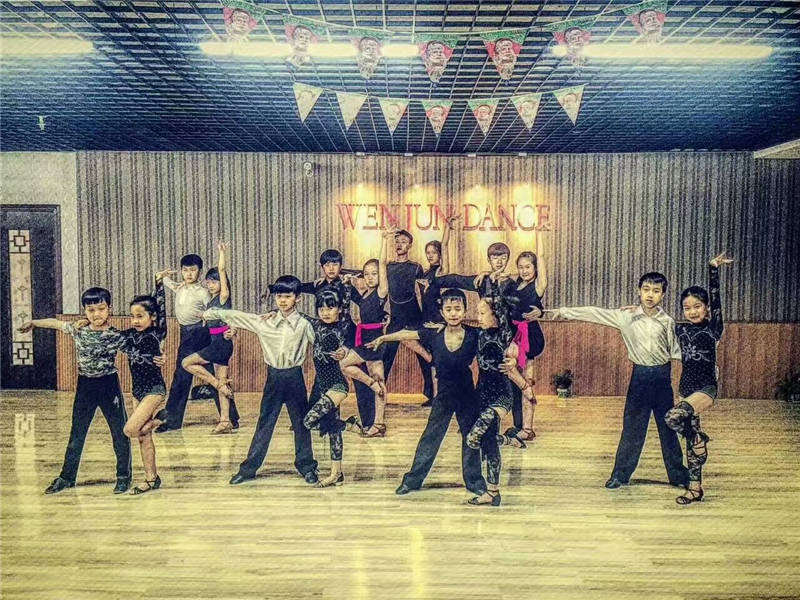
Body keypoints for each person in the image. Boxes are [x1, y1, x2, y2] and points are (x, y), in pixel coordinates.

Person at [544, 272, 690, 490]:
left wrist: (681, 387)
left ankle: (678, 475)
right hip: (639, 377)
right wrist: (562, 311)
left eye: (656, 291)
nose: (650, 295)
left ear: (663, 295)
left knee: (669, 427)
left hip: (662, 378)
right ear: (639, 291)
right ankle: (620, 475)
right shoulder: (626, 317)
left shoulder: (668, 322)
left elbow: (677, 354)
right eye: (646, 290)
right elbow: (595, 313)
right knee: (632, 429)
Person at [368, 289, 488, 499]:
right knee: (430, 437)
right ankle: (412, 480)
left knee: (471, 437)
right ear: (442, 312)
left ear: (465, 311)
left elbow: (497, 332)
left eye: (457, 309)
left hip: (467, 393)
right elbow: (406, 334)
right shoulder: (434, 333)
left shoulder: (475, 334)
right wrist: (384, 338)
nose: (453, 313)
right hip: (443, 394)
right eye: (448, 309)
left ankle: (475, 481)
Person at [203, 275, 319, 486]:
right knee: (265, 423)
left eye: (288, 296)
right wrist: (212, 312)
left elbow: (321, 344)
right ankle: (248, 469)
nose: (282, 300)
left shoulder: (304, 324)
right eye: (279, 296)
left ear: (298, 298)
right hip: (273, 377)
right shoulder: (265, 321)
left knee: (302, 423)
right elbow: (239, 316)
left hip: (295, 377)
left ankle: (307, 466)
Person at [20, 287, 132, 495]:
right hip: (85, 386)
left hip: (109, 385)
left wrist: (158, 354)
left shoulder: (116, 335)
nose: (96, 314)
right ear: (85, 311)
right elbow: (55, 323)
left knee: (119, 432)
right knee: (77, 434)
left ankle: (123, 477)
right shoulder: (78, 329)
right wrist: (34, 323)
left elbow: (139, 349)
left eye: (101, 309)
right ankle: (66, 478)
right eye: (91, 310)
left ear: (110, 309)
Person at [664, 251, 732, 504]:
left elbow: (717, 298)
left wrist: (713, 268)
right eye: (687, 307)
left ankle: (698, 439)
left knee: (673, 417)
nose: (692, 311)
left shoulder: (714, 328)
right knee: (690, 444)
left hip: (705, 388)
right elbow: (656, 321)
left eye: (697, 306)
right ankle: (695, 489)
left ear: (706, 308)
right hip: (686, 387)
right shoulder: (680, 329)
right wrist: (635, 312)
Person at [156, 253, 239, 432]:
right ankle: (231, 418)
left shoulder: (204, 292)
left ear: (199, 272)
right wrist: (162, 277)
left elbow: (221, 312)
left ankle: (173, 420)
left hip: (201, 333)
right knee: (204, 374)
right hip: (185, 333)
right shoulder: (180, 287)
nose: (188, 274)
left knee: (183, 373)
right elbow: (169, 283)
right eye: (185, 270)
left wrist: (232, 329)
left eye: (192, 270)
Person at [463, 290, 531, 507]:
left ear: (496, 315)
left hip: (501, 396)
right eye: (478, 313)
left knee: (473, 439)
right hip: (481, 394)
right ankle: (493, 492)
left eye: (482, 313)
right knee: (489, 443)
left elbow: (514, 364)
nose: (478, 317)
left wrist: (523, 383)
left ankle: (508, 441)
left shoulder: (507, 338)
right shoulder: (478, 334)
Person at [300, 289, 363, 487]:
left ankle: (349, 425)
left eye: (330, 308)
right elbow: (295, 314)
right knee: (333, 431)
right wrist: (272, 312)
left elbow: (356, 341)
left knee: (309, 421)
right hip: (322, 385)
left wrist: (345, 350)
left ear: (339, 309)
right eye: (321, 308)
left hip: (337, 384)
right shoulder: (315, 324)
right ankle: (337, 474)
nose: (325, 312)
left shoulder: (345, 326)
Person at [180, 242, 237, 434]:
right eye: (208, 282)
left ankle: (217, 384)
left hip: (220, 343)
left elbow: (222, 270)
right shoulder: (212, 300)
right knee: (223, 380)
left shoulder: (223, 297)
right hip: (218, 342)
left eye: (214, 282)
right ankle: (225, 421)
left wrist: (222, 253)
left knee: (187, 363)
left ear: (222, 283)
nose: (210, 285)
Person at [504, 224, 550, 443]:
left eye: (528, 267)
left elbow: (541, 257)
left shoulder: (538, 286)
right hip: (515, 333)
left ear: (535, 268)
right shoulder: (517, 284)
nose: (524, 270)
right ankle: (523, 426)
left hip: (529, 335)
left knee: (524, 379)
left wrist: (538, 233)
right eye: (521, 267)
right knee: (518, 379)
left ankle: (528, 427)